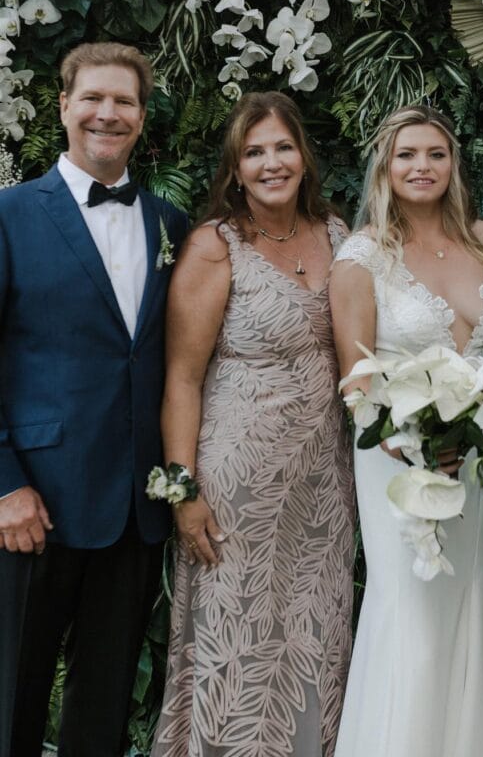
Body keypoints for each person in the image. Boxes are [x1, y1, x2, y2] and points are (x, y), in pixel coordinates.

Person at [151, 91, 354, 757]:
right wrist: (184, 492)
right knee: (232, 646)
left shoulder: (340, 234)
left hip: (324, 486)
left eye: (283, 147)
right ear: (236, 170)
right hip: (235, 486)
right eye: (254, 152)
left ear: (304, 156)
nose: (272, 163)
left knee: (314, 641)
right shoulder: (217, 246)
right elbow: (181, 376)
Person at [0, 42, 188, 757]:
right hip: (33, 505)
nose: (109, 114)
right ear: (64, 107)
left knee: (102, 709)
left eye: (125, 102)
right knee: (13, 697)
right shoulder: (10, 215)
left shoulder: (171, 224)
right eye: (94, 98)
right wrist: (5, 486)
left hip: (135, 507)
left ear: (142, 116)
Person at [329, 105, 483, 757]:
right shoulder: (362, 255)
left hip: (480, 459)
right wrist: (417, 446)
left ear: (452, 164)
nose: (422, 166)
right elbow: (355, 380)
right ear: (385, 164)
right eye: (407, 154)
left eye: (435, 154)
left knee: (467, 607)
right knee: (411, 612)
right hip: (397, 459)